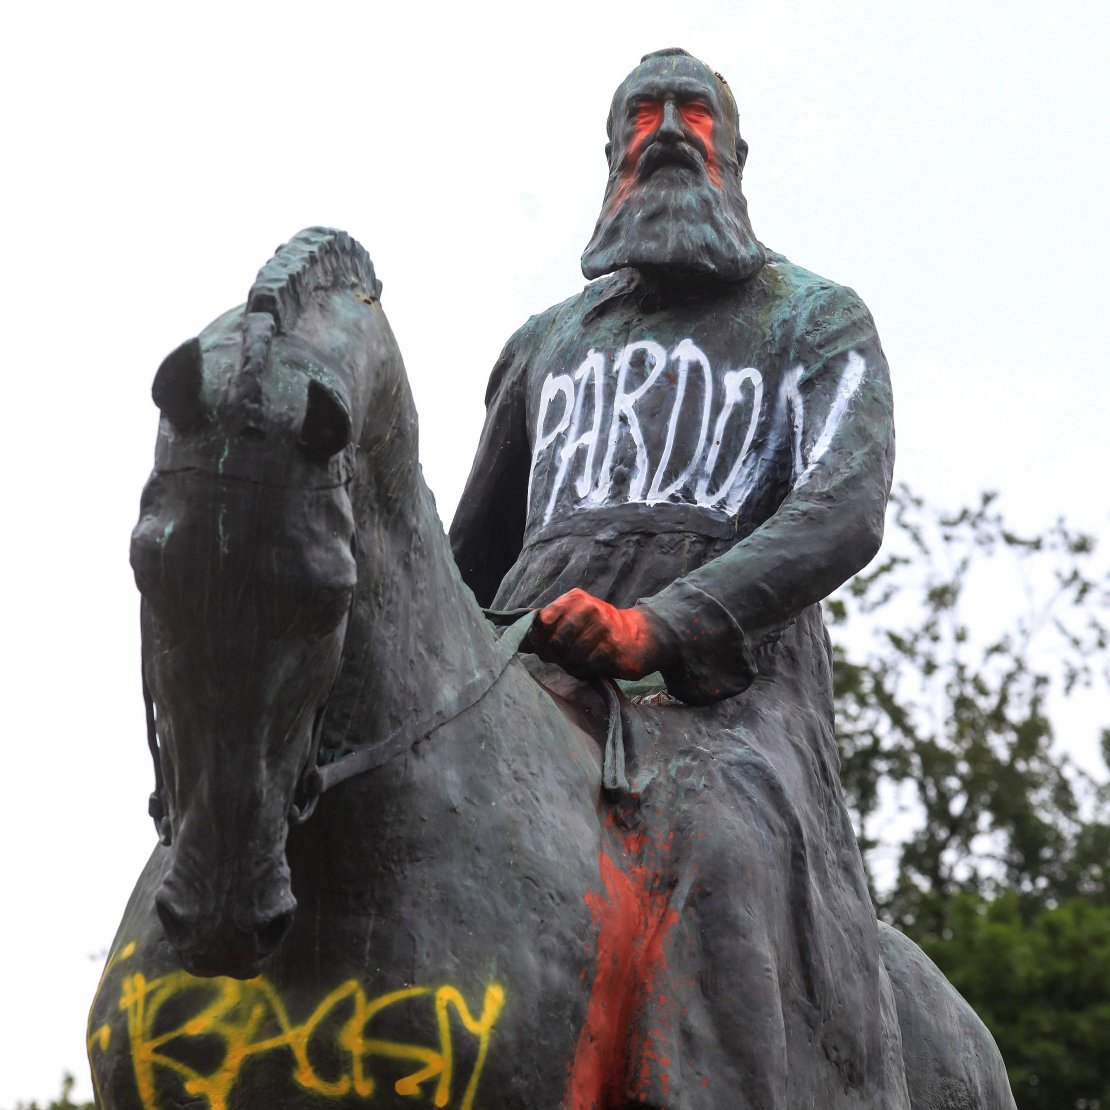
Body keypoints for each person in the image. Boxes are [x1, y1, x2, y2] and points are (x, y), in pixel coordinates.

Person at [451, 48, 907, 1109]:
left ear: (734, 155)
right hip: (532, 677)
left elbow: (842, 510)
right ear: (613, 161)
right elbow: (469, 553)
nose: (664, 128)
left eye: (691, 111)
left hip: (725, 708)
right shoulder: (541, 347)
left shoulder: (816, 318)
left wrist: (659, 628)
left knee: (715, 838)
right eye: (641, 115)